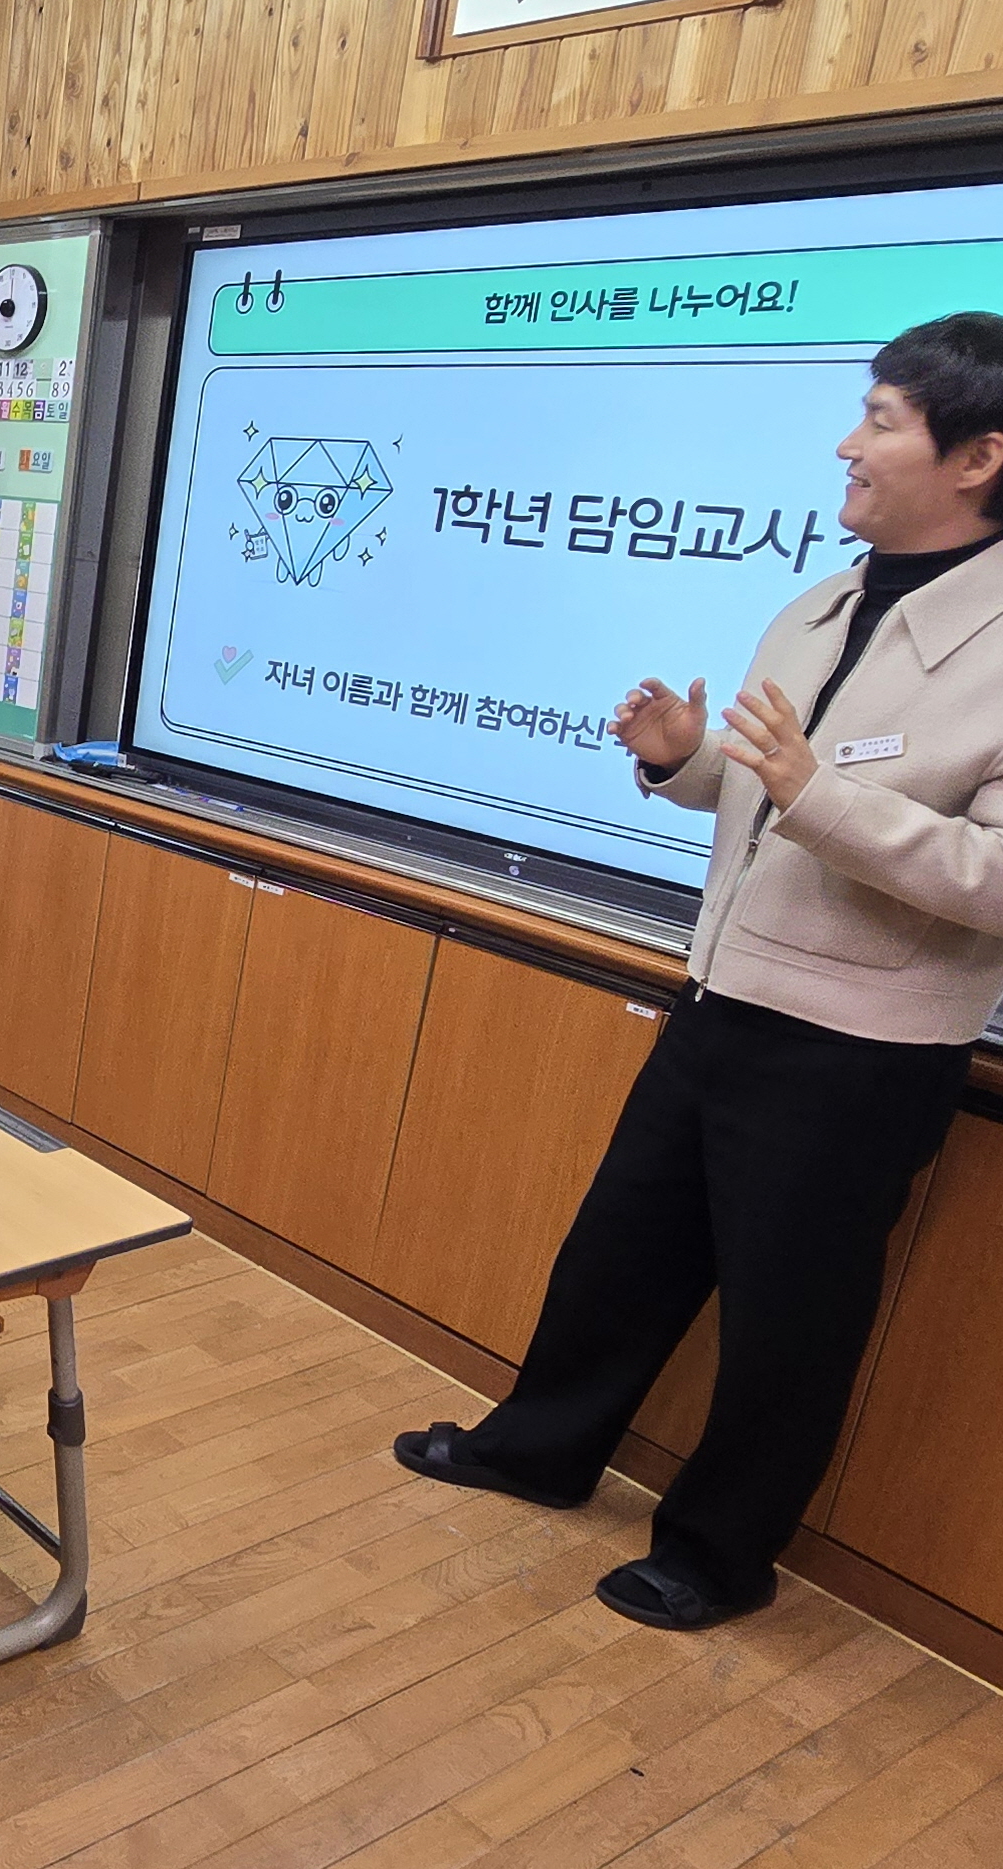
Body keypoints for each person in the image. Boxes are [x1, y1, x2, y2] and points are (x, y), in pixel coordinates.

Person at [395, 313, 1003, 1632]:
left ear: (979, 457)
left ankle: (719, 1556)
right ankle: (534, 1451)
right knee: (618, 1253)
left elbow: (987, 877)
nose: (848, 442)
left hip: (861, 1052)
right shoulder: (820, 598)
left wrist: (806, 791)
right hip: (721, 998)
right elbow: (773, 797)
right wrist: (686, 761)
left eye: (883, 419)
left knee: (789, 1321)